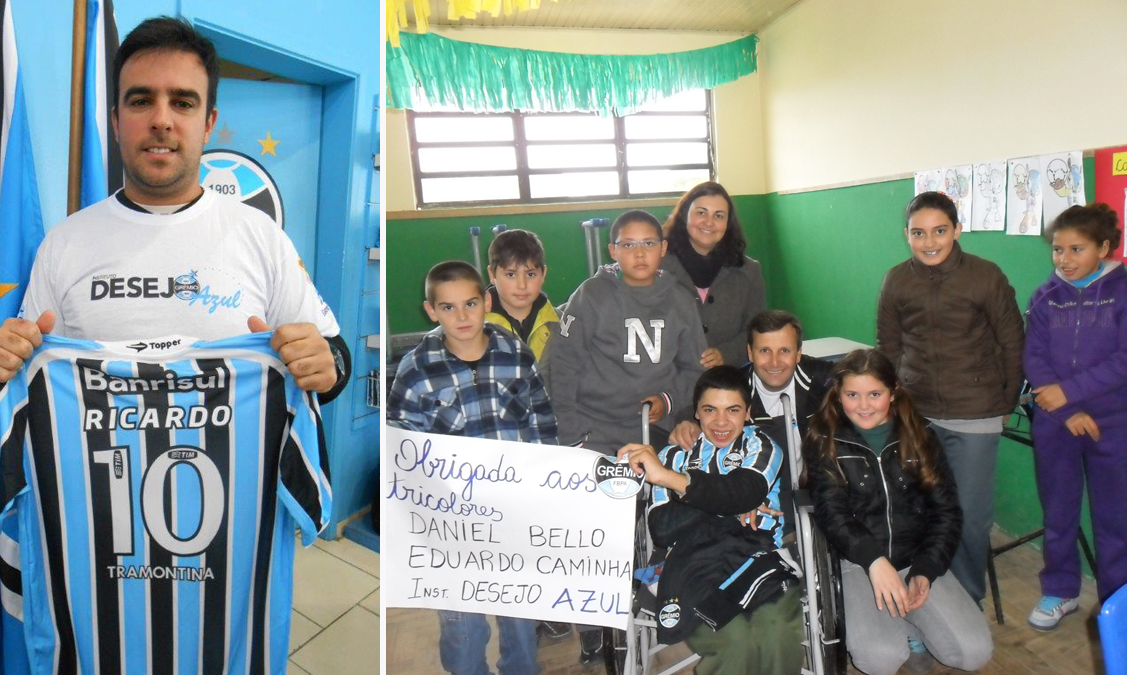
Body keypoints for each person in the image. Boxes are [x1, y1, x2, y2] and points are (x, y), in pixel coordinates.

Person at [0, 17, 348, 398]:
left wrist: (326, 365)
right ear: (116, 122)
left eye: (182, 103)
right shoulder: (63, 243)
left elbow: (334, 360)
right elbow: (23, 379)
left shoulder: (262, 236)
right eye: (141, 101)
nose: (161, 121)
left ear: (208, 123)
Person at [387, 260, 557, 675]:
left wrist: (549, 490)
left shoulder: (516, 355)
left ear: (487, 301)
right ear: (431, 311)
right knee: (462, 629)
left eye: (470, 304)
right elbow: (402, 454)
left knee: (520, 616)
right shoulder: (414, 373)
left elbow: (541, 424)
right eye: (447, 308)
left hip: (515, 515)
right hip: (452, 529)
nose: (461, 317)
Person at [805, 350, 993, 675]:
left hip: (914, 556)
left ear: (893, 393)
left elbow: (946, 512)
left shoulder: (921, 437)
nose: (863, 405)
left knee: (974, 652)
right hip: (858, 563)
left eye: (874, 394)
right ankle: (907, 631)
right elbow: (832, 514)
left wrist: (926, 569)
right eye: (852, 395)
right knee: (881, 658)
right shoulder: (825, 440)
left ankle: (912, 619)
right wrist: (875, 562)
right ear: (838, 394)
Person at [876, 191, 1024, 604]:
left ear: (957, 231)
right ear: (906, 235)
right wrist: (889, 405)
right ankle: (927, 600)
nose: (929, 242)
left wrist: (1005, 403)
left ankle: (967, 601)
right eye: (919, 233)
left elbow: (1013, 343)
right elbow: (888, 347)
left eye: (940, 231)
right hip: (916, 414)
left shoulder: (985, 276)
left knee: (970, 518)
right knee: (920, 512)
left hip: (975, 414)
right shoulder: (897, 280)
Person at [616, 366, 803, 675]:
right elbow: (662, 530)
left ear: (748, 413)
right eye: (709, 410)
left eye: (733, 410)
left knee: (778, 635)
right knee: (735, 645)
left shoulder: (762, 447)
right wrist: (728, 502)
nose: (720, 421)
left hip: (756, 557)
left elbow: (746, 490)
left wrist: (676, 484)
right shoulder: (671, 457)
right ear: (697, 414)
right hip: (689, 564)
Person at [1023, 203, 1127, 629]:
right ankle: (1060, 590)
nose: (1063, 260)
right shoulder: (1046, 296)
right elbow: (1035, 356)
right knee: (1060, 510)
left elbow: (1123, 361)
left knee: (1115, 517)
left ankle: (1116, 601)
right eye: (1057, 250)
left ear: (1103, 247)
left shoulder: (1123, 291)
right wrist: (1065, 409)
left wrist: (1071, 391)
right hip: (1057, 423)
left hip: (1113, 425)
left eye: (1076, 249)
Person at [548, 209, 706, 455]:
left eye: (649, 243)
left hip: (657, 428)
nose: (640, 253)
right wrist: (568, 433)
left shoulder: (681, 300)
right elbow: (563, 365)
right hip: (593, 428)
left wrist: (668, 400)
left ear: (663, 248)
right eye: (628, 244)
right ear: (613, 251)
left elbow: (696, 369)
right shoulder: (591, 295)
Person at [669, 310, 833, 528]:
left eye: (784, 350)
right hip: (761, 493)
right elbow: (700, 405)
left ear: (799, 353)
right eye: (764, 350)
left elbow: (866, 384)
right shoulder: (735, 391)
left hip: (817, 488)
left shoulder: (823, 381)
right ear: (750, 352)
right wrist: (687, 421)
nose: (774, 362)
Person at [483, 230, 569, 643]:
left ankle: (550, 608)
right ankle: (516, 614)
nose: (521, 285)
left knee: (548, 531)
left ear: (543, 274)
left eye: (531, 273)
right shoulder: (474, 323)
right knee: (508, 533)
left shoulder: (562, 322)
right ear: (492, 274)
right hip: (497, 449)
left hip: (549, 444)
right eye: (511, 274)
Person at [661, 181, 766, 369]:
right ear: (685, 215)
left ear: (728, 223)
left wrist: (726, 354)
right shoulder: (658, 266)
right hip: (669, 379)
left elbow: (755, 331)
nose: (709, 222)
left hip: (727, 379)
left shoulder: (748, 271)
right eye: (701, 213)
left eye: (719, 216)